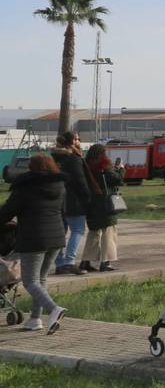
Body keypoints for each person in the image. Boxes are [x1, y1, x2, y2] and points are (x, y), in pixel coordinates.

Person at [0, 154, 69, 333]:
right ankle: (35, 319)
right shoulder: (59, 185)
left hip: (34, 238)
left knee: (30, 281)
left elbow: (7, 212)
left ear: (31, 168)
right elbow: (63, 210)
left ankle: (54, 309)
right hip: (57, 237)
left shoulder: (25, 187)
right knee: (41, 278)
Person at [51, 131, 94, 276]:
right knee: (78, 230)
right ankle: (69, 262)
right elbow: (80, 182)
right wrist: (88, 199)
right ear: (71, 142)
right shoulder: (73, 159)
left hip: (57, 201)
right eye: (77, 139)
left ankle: (59, 264)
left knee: (59, 234)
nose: (79, 141)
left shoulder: (54, 158)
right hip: (73, 201)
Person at [82, 143, 122, 272]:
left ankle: (86, 261)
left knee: (93, 232)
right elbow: (117, 180)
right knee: (109, 232)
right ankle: (105, 262)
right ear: (102, 154)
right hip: (105, 203)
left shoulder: (85, 166)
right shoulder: (103, 166)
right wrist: (120, 169)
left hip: (91, 203)